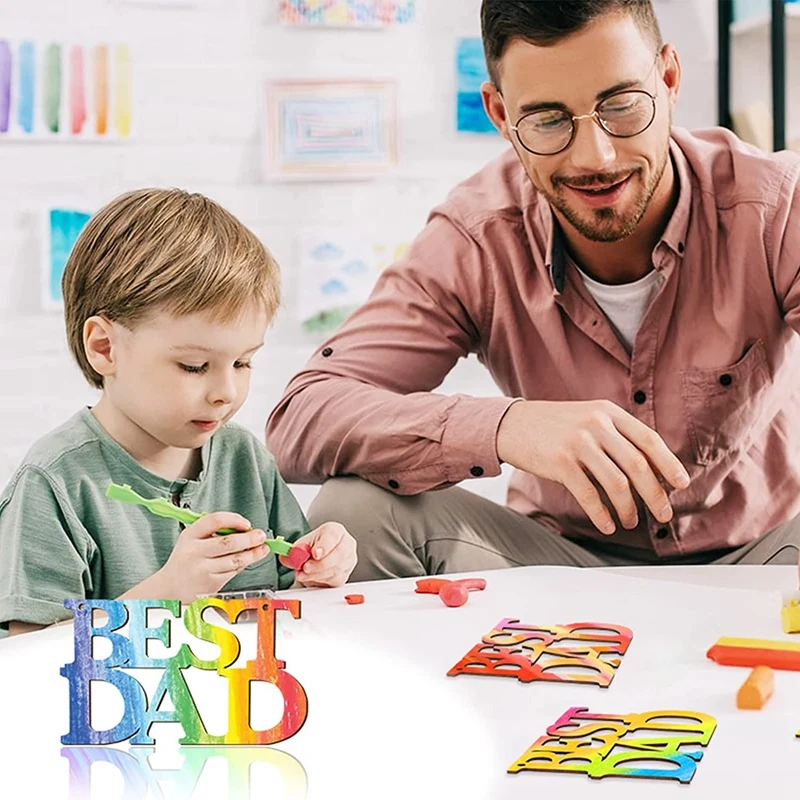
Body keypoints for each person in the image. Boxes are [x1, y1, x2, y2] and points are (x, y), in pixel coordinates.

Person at [267, 0, 800, 581]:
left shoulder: (773, 206)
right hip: (557, 564)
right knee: (356, 510)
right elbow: (302, 418)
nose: (595, 157)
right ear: (499, 113)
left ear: (669, 80)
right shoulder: (476, 237)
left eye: (621, 106)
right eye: (548, 120)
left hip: (767, 556)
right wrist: (506, 427)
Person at [0, 188, 357, 636]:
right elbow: (28, 655)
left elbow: (290, 601)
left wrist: (316, 569)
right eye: (194, 366)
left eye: (243, 362)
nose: (225, 392)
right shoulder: (55, 483)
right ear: (105, 348)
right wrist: (167, 591)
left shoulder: (243, 458)